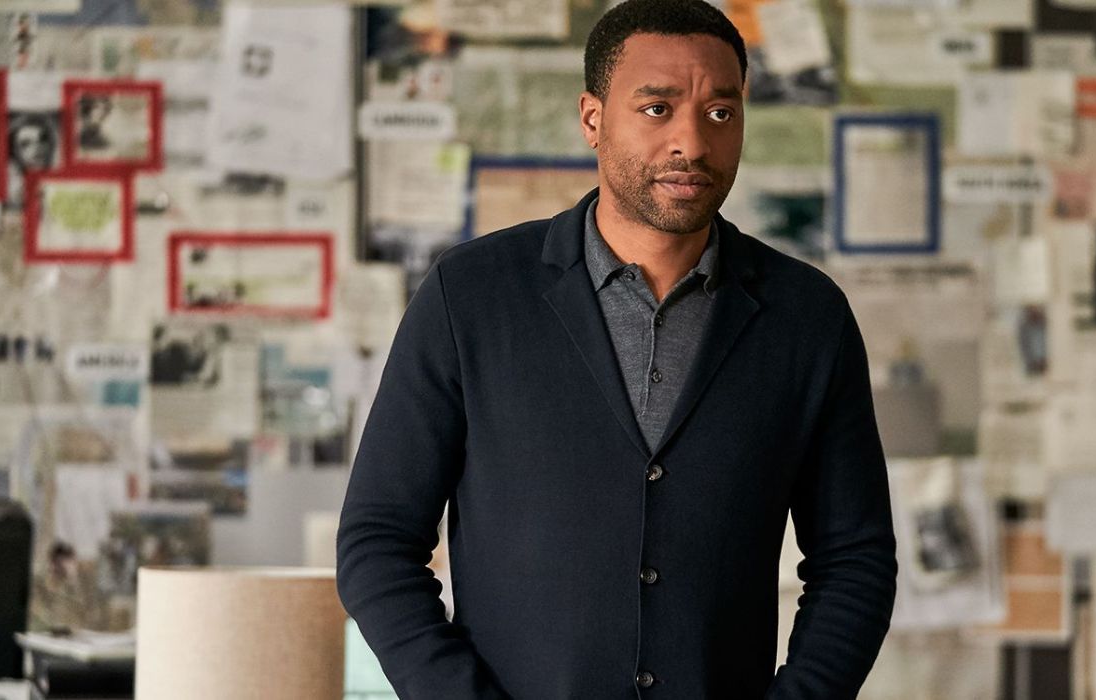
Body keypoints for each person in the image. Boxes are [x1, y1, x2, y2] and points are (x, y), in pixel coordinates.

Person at [336, 2, 897, 698]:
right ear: (593, 119)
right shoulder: (471, 296)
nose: (691, 141)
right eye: (657, 108)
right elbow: (377, 544)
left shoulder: (807, 317)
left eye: (721, 112)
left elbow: (855, 560)